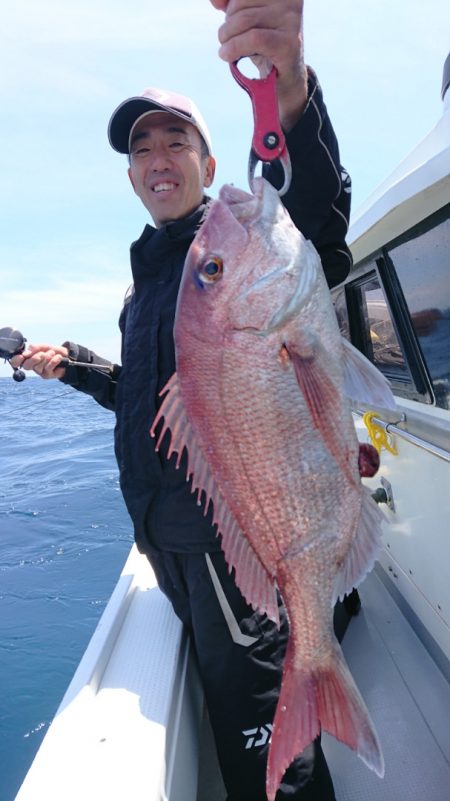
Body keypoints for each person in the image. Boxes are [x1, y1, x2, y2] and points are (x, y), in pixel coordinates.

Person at [12, 2, 355, 798]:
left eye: (175, 139)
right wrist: (76, 369)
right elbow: (153, 396)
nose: (157, 156)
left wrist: (291, 90)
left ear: (205, 158)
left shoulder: (229, 251)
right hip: (172, 550)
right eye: (141, 147)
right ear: (130, 173)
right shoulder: (154, 276)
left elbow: (313, 219)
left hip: (231, 554)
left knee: (271, 766)